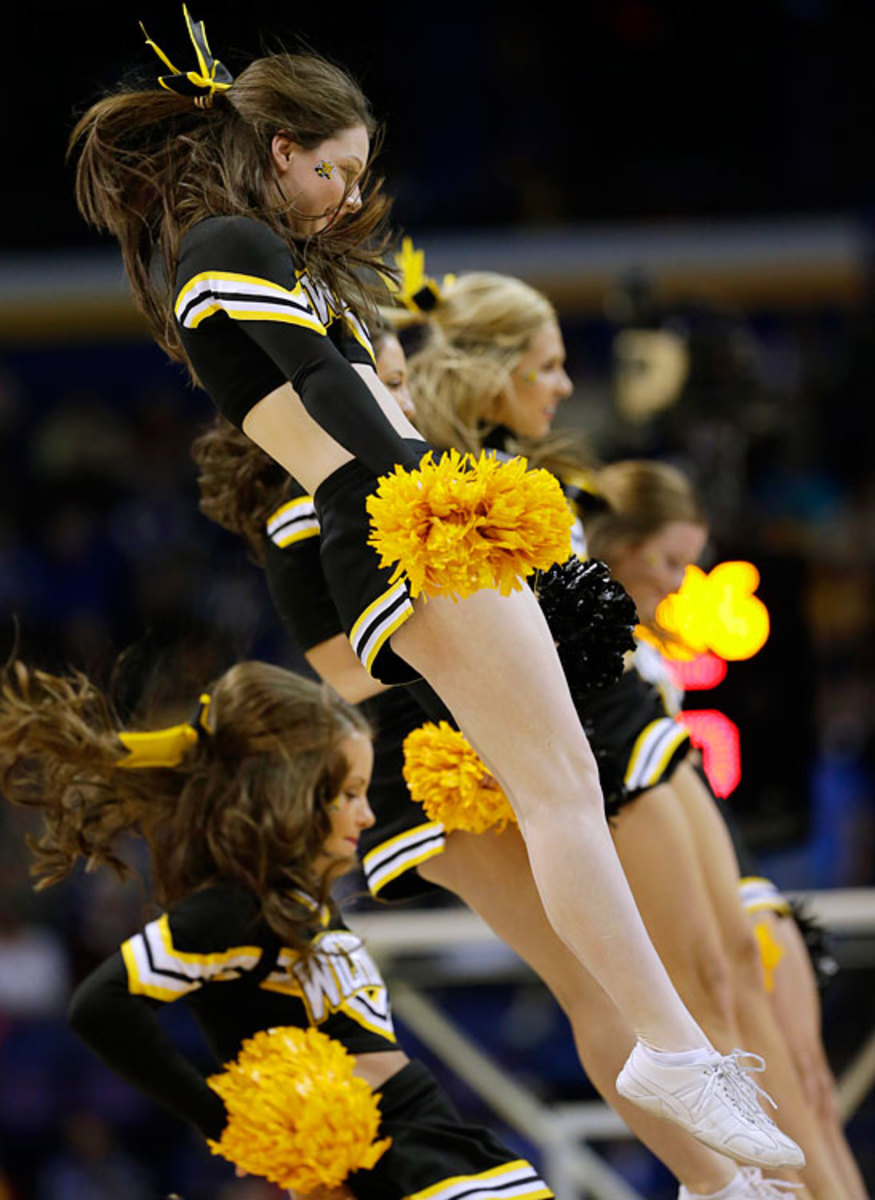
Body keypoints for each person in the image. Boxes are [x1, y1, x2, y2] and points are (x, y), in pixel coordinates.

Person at [69, 8, 803, 1168]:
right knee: (560, 791)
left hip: (403, 525)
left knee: (557, 784)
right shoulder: (224, 241)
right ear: (281, 153)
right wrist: (441, 483)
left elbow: (340, 387)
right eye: (339, 171)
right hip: (403, 527)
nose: (348, 198)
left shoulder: (244, 250)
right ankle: (671, 1049)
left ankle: (690, 1104)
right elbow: (324, 387)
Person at [193, 283, 804, 1200]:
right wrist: (492, 651)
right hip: (428, 761)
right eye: (383, 381)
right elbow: (349, 666)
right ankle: (714, 1183)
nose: (393, 400)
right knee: (589, 985)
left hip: (481, 726)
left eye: (398, 381)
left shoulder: (404, 469)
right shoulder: (312, 499)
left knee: (621, 968)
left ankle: (717, 1173)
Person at [0, 657, 555, 1200]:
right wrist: (223, 1122)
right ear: (290, 791)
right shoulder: (234, 910)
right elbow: (99, 1005)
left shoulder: (299, 903)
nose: (366, 815)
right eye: (349, 794)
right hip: (395, 1164)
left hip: (430, 1143)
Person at [585, 460, 867, 1200]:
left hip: (735, 872)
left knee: (810, 1085)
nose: (682, 583)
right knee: (753, 1042)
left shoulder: (645, 634)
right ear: (616, 540)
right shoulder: (587, 630)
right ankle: (764, 1186)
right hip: (685, 873)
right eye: (671, 560)